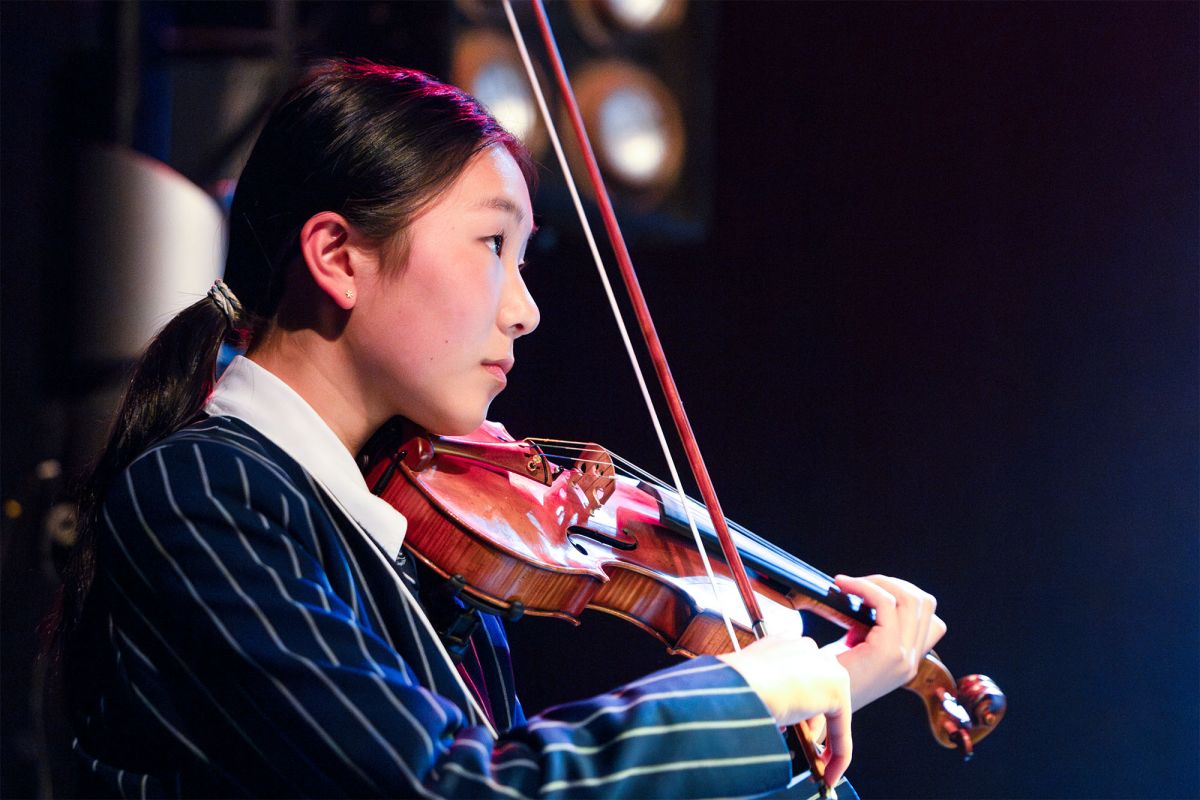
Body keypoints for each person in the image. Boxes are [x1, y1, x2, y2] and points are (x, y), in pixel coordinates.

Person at [48, 59, 944, 799]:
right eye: (492, 246)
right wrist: (744, 698)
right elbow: (446, 787)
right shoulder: (205, 490)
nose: (525, 310)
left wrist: (792, 746)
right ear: (338, 257)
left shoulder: (416, 546)